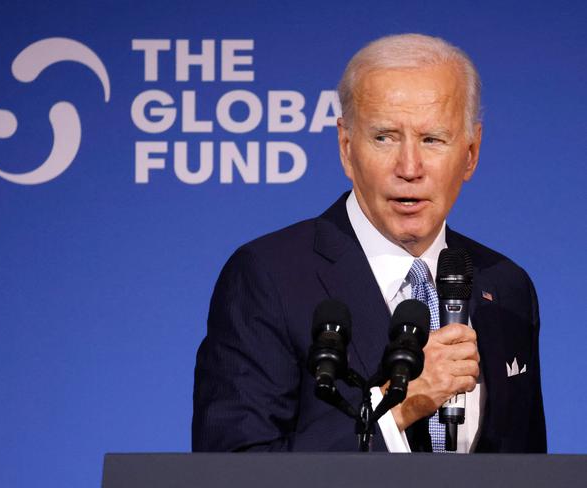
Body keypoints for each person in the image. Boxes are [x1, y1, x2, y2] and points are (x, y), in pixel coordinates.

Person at [192, 33, 546, 453]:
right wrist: (394, 410)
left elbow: (528, 468)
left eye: (432, 139)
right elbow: (232, 468)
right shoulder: (269, 276)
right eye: (385, 137)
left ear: (471, 153)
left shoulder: (506, 286)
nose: (409, 167)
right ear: (346, 148)